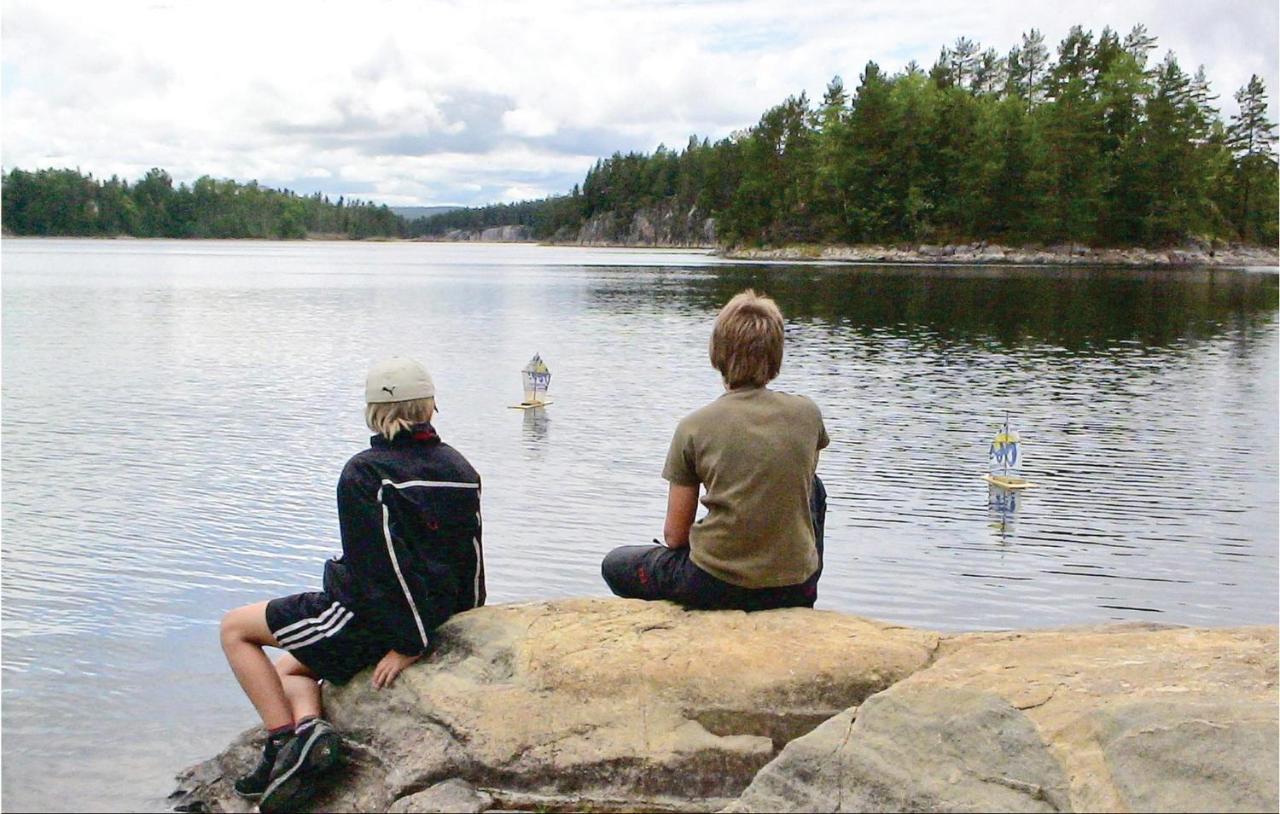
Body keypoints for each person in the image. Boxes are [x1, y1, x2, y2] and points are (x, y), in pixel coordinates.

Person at [219, 357, 484, 813]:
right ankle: (308, 733)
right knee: (291, 670)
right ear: (430, 406)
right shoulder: (460, 468)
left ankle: (280, 747)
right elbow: (471, 559)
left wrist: (410, 643)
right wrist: (469, 617)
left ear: (375, 412)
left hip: (374, 618)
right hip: (433, 613)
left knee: (234, 629)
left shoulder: (366, 472)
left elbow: (380, 568)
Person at [601, 289, 828, 611]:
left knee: (615, 563)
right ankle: (799, 583)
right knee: (814, 486)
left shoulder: (694, 427)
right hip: (795, 588)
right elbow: (798, 483)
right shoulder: (808, 414)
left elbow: (676, 537)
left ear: (716, 354)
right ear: (776, 356)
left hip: (715, 585)